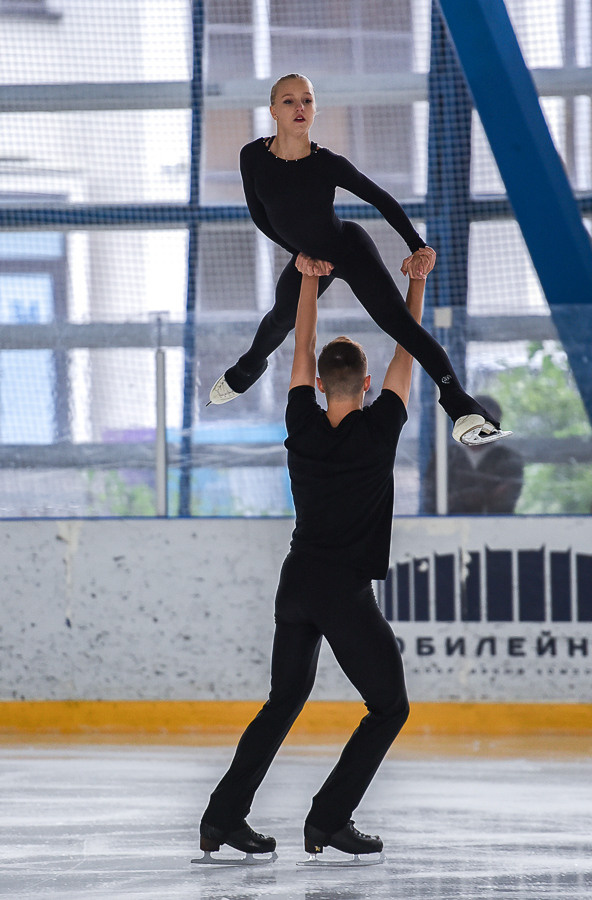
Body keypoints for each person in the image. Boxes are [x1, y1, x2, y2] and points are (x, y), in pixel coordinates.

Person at [198, 266, 426, 862]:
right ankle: (328, 819)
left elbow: (300, 342)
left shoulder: (300, 420)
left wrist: (307, 278)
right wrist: (416, 281)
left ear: (320, 384)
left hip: (296, 582)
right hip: (341, 591)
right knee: (390, 706)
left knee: (284, 699)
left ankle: (223, 817)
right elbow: (410, 343)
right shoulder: (382, 428)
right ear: (369, 383)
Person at [207, 72, 508, 446]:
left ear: (315, 109)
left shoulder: (328, 163)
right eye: (289, 101)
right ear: (273, 110)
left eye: (307, 100)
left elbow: (380, 198)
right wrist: (300, 256)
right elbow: (260, 217)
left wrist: (417, 245)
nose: (300, 107)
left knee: (401, 326)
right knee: (279, 319)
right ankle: (248, 367)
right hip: (310, 256)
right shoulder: (251, 156)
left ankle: (460, 405)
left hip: (347, 247)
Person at [421, 395, 524, 514]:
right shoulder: (445, 457)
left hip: (495, 527)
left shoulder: (508, 458)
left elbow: (506, 499)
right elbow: (433, 498)